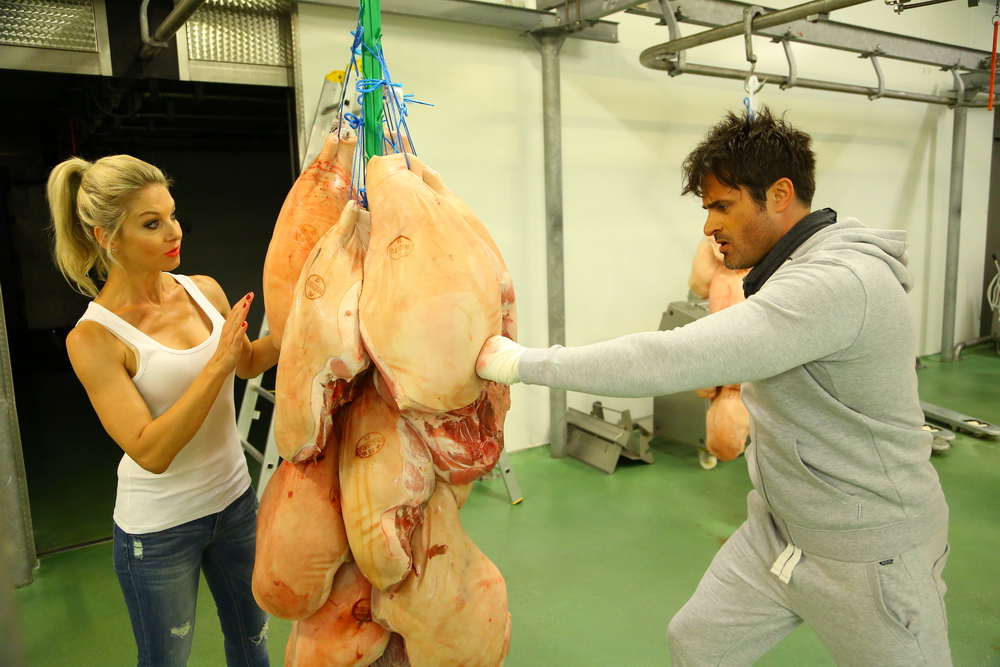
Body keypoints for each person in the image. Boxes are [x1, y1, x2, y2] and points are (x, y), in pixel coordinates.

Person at [477, 106, 951, 666]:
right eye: (708, 208)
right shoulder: (790, 271)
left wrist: (521, 363)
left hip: (868, 550)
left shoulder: (837, 283)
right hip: (779, 532)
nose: (708, 227)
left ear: (779, 194)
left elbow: (672, 358)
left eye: (723, 206)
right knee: (698, 643)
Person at [47, 154, 280, 667]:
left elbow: (247, 363)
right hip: (160, 530)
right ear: (107, 237)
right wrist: (216, 366)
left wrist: (309, 322)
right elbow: (150, 451)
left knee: (254, 641)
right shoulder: (94, 337)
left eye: (172, 215)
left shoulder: (203, 290)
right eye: (152, 224)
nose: (174, 231)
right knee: (165, 660)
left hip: (235, 503)